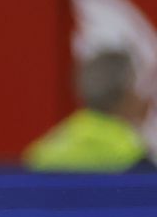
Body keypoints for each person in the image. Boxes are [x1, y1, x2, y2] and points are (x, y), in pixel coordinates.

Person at [25, 49, 153, 171]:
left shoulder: (42, 154)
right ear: (126, 96)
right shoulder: (135, 158)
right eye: (139, 88)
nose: (145, 98)